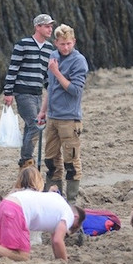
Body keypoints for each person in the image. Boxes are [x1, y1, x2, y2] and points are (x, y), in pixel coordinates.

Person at [0, 170, 85, 261]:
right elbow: (58, 240)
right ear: (76, 218)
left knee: (1, 247)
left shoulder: (57, 200)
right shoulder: (68, 215)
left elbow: (55, 241)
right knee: (23, 255)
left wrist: (61, 256)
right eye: (75, 227)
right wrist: (64, 262)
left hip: (5, 204)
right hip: (16, 210)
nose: (70, 230)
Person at [37, 24, 89, 204]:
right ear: (55, 43)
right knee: (51, 160)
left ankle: (72, 201)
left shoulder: (79, 61)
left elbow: (75, 90)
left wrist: (57, 72)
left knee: (71, 162)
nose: (65, 47)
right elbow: (51, 88)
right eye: (62, 44)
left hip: (70, 119)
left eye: (68, 43)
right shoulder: (53, 56)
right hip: (52, 117)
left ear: (74, 41)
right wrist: (43, 111)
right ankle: (54, 198)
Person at [2, 13, 55, 168]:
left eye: (51, 26)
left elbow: (45, 75)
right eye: (47, 26)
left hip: (38, 93)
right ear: (37, 27)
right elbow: (13, 68)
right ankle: (26, 160)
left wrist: (53, 91)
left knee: (30, 126)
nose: (50, 29)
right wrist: (8, 92)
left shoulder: (49, 49)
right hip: (22, 92)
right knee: (36, 125)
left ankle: (25, 161)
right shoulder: (23, 44)